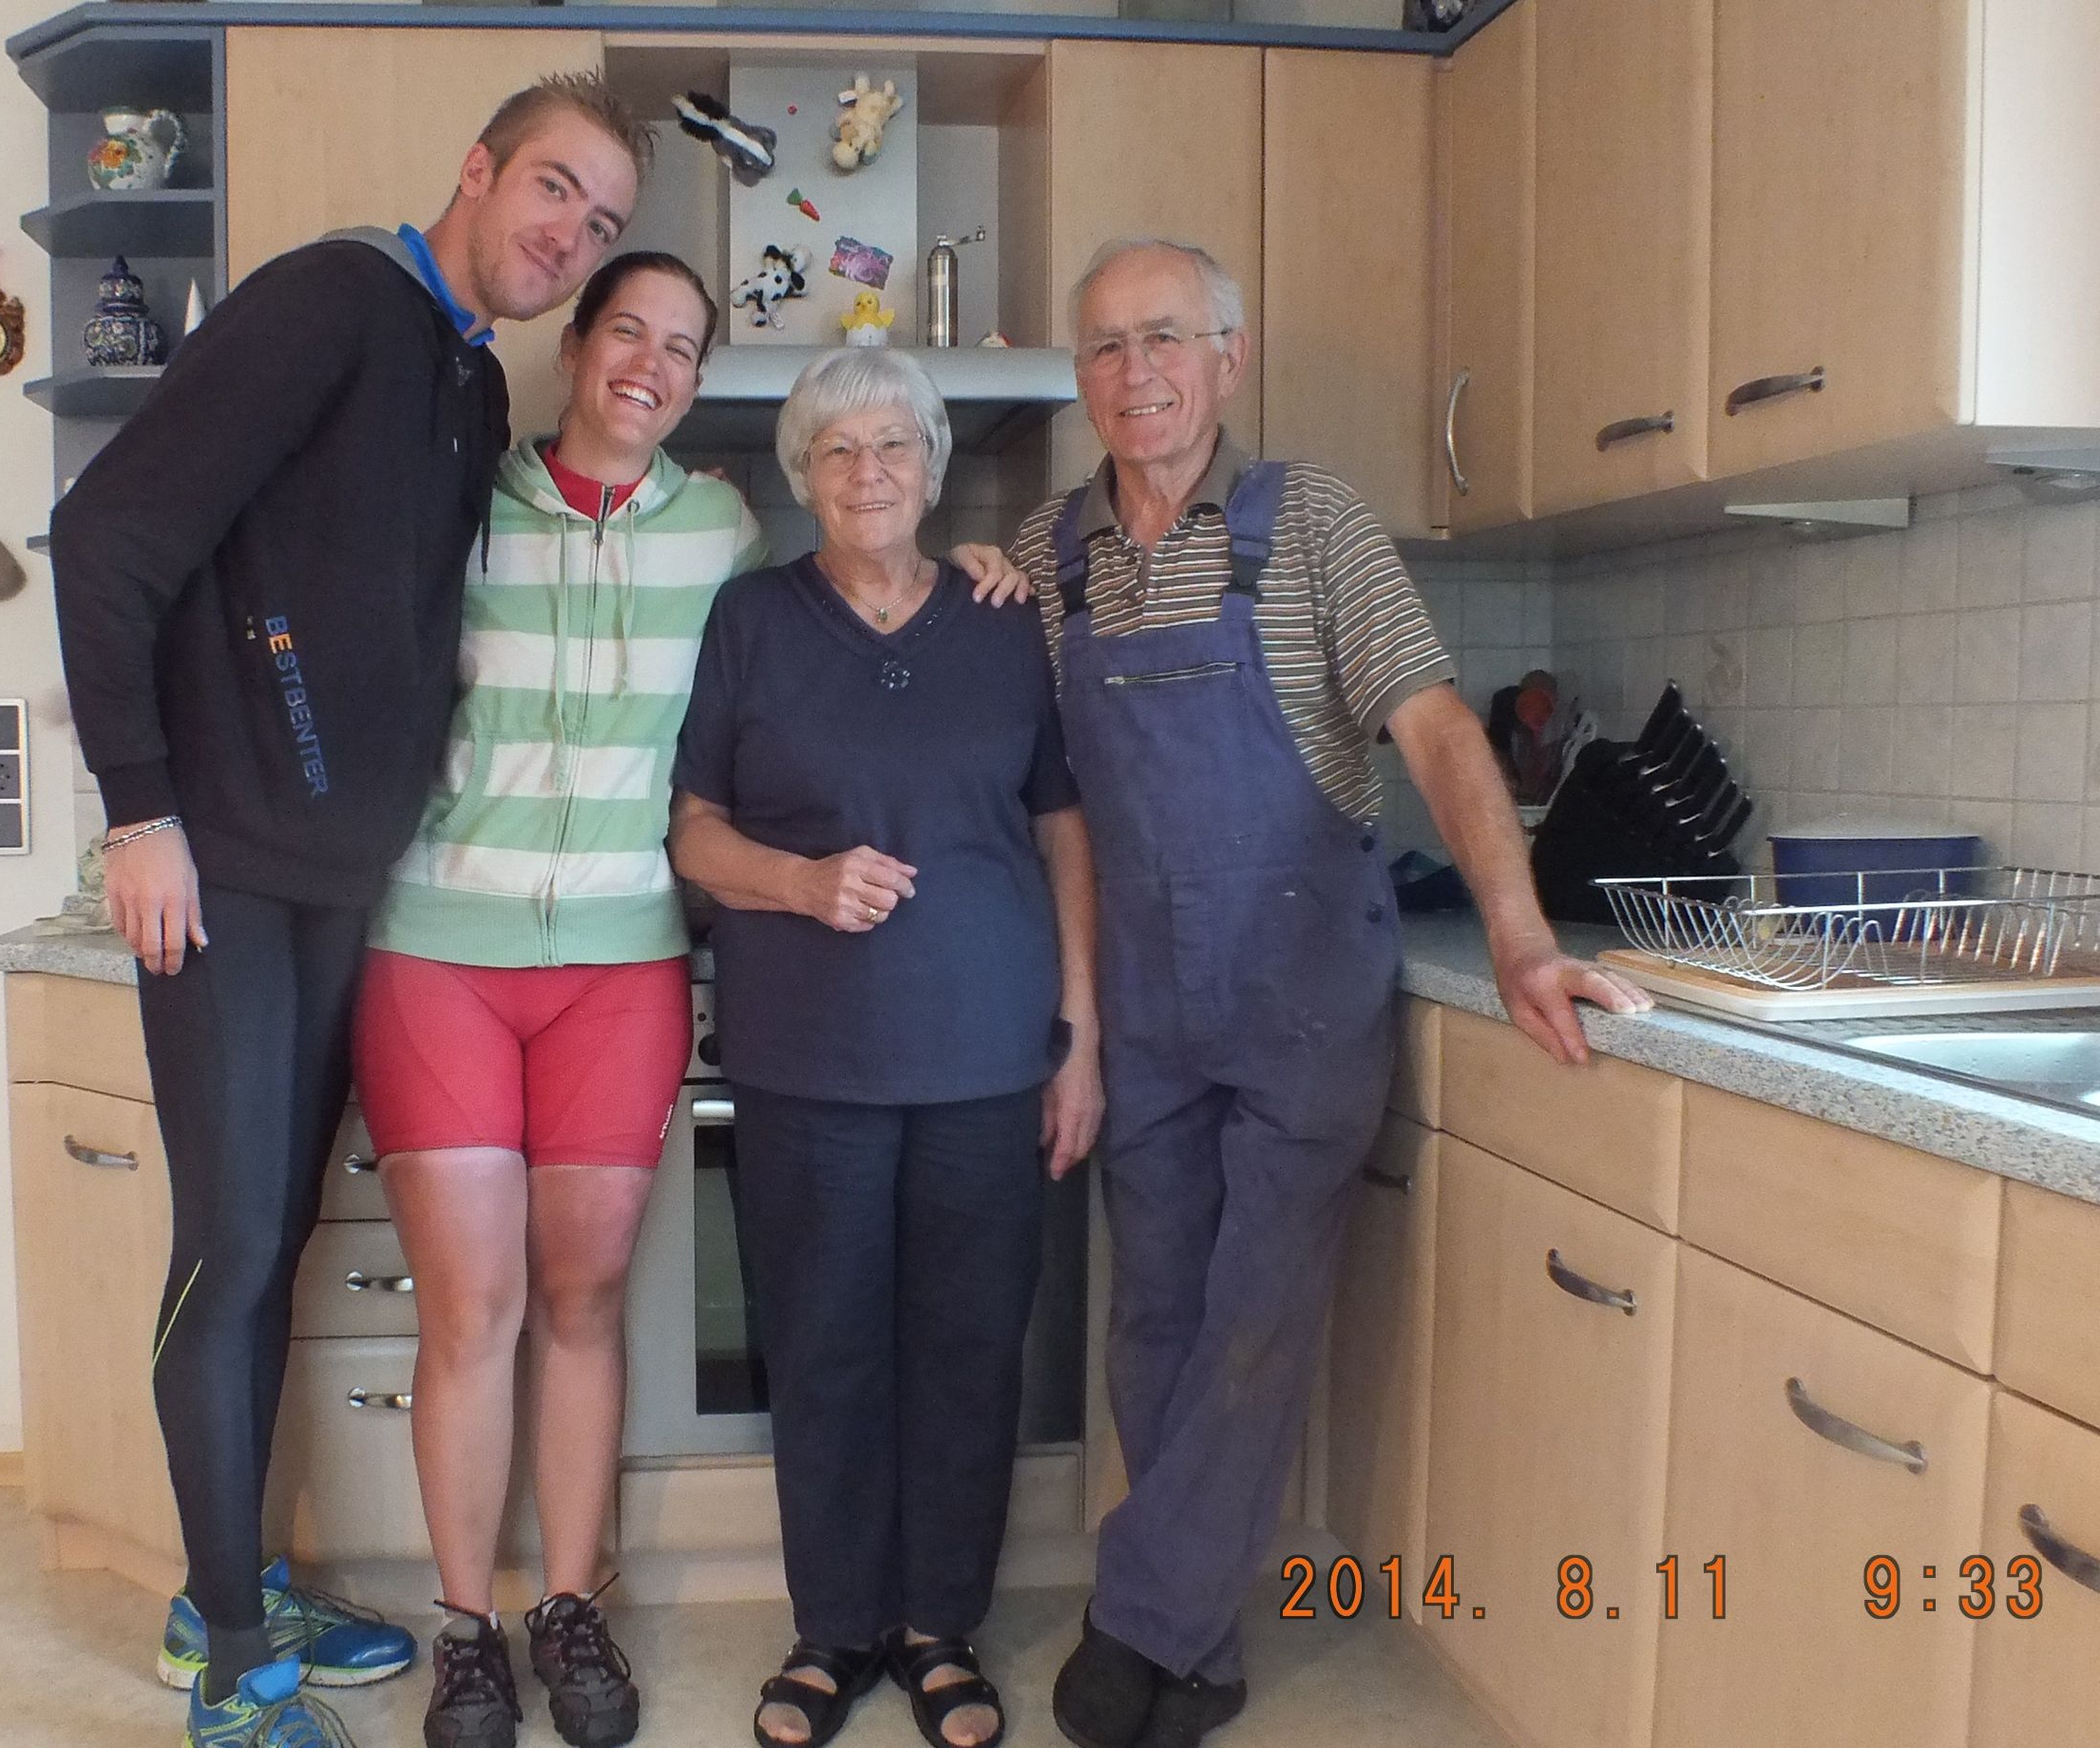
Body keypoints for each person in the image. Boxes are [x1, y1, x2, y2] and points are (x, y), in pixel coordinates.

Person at [50, 73, 654, 1748]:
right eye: (554, 189)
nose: (571, 234)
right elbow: (105, 538)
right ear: (478, 168)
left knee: (276, 1247)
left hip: (340, 890)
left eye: (604, 222)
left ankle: (231, 1584)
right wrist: (140, 811)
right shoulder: (334, 300)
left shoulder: (466, 377)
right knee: (232, 1248)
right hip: (224, 872)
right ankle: (228, 1665)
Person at [360, 258, 1038, 1748]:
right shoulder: (478, 510)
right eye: (629, 332)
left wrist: (992, 558)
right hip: (457, 944)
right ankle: (477, 1630)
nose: (651, 365)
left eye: (682, 346)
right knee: (492, 1307)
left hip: (643, 960)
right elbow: (373, 675)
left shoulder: (735, 541)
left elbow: (1014, 763)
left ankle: (594, 1608)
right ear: (574, 345)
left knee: (601, 1301)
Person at [1014, 239, 1652, 1748]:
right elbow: (1056, 803)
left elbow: (1435, 731)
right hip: (1143, 1003)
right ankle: (1195, 1640)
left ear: (1228, 358)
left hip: (1302, 995)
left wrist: (1519, 939)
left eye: (1166, 337)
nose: (1135, 373)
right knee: (1154, 1316)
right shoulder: (1047, 555)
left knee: (1256, 1315)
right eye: (1104, 346)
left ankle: (1140, 1620)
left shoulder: (1314, 524)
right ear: (1080, 376)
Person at [669, 349, 1104, 1748]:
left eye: (895, 445)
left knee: (969, 1349)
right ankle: (834, 1629)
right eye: (838, 449)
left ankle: (938, 1628)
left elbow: (1062, 827)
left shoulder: (1004, 620)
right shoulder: (752, 620)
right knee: (825, 1348)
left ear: (933, 465)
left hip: (988, 1052)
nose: (869, 472)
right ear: (805, 476)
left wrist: (1080, 1036)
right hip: (809, 1060)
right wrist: (800, 883)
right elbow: (694, 835)